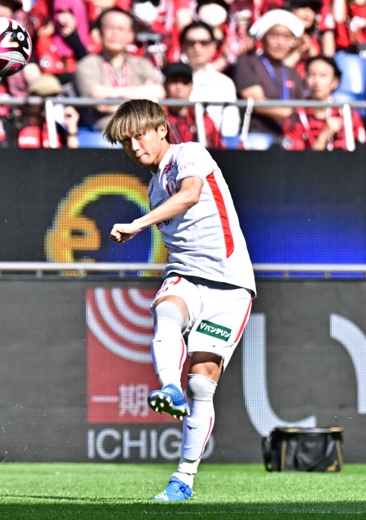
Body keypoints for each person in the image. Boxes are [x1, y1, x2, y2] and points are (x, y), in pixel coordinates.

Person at [105, 99, 255, 502]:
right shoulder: (154, 187)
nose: (135, 146)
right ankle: (168, 388)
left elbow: (190, 194)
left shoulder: (190, 154)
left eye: (139, 135)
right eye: (126, 141)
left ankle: (183, 479)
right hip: (187, 274)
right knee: (166, 310)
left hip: (229, 283)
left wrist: (138, 224)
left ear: (161, 131)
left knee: (202, 385)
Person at [73, 7, 164, 131]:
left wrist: (112, 93)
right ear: (99, 32)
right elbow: (100, 105)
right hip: (105, 135)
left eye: (121, 29)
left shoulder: (142, 64)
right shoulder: (87, 64)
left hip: (142, 134)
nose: (115, 33)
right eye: (110, 28)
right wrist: (143, 99)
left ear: (130, 35)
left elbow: (159, 93)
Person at [234, 8, 306, 147]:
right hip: (257, 135)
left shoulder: (293, 72)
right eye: (274, 35)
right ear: (263, 37)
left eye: (287, 37)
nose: (280, 42)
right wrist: (288, 112)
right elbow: (257, 103)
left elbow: (302, 106)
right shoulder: (247, 63)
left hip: (290, 137)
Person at [283, 55, 366, 151]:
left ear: (335, 82)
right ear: (305, 79)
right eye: (312, 75)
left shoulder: (348, 115)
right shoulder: (296, 114)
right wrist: (324, 136)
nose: (317, 81)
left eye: (323, 75)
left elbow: (360, 154)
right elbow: (295, 159)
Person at [180, 21, 241, 139]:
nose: (197, 47)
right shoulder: (167, 79)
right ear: (182, 46)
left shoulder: (224, 83)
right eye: (191, 42)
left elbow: (230, 127)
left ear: (213, 46)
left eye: (204, 42)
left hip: (215, 150)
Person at [161, 62, 223, 148]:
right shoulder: (156, 119)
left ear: (191, 86)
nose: (179, 87)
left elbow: (218, 149)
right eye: (174, 81)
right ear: (165, 85)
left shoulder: (203, 118)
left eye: (185, 82)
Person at [15, 73, 80, 148]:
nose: (48, 104)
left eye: (53, 97)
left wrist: (72, 130)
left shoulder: (56, 127)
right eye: (44, 97)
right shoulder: (18, 125)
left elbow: (70, 157)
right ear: (32, 96)